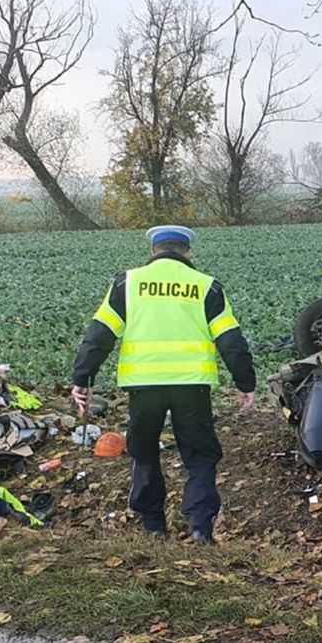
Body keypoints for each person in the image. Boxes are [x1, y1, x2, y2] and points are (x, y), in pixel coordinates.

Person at [70, 225, 255, 544]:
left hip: (143, 387)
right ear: (187, 253)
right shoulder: (206, 287)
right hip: (191, 387)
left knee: (143, 452)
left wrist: (82, 379)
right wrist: (245, 383)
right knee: (199, 455)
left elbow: (100, 335)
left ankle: (153, 525)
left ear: (153, 252)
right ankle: (199, 527)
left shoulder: (127, 283)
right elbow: (232, 342)